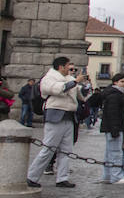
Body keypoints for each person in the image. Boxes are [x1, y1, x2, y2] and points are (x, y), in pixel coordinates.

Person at [26, 56, 84, 188]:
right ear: (61, 66)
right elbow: (57, 89)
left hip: (69, 116)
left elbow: (81, 95)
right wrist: (75, 82)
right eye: (69, 66)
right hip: (55, 115)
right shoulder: (49, 78)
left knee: (66, 150)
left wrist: (83, 86)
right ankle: (32, 176)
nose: (71, 68)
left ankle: (62, 178)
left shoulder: (70, 79)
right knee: (48, 148)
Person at [98, 74, 124, 184]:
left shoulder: (113, 94)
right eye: (122, 81)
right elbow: (113, 113)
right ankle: (116, 176)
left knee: (109, 152)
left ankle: (107, 175)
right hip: (114, 127)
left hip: (111, 127)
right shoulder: (115, 96)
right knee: (116, 152)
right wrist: (115, 129)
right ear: (115, 82)